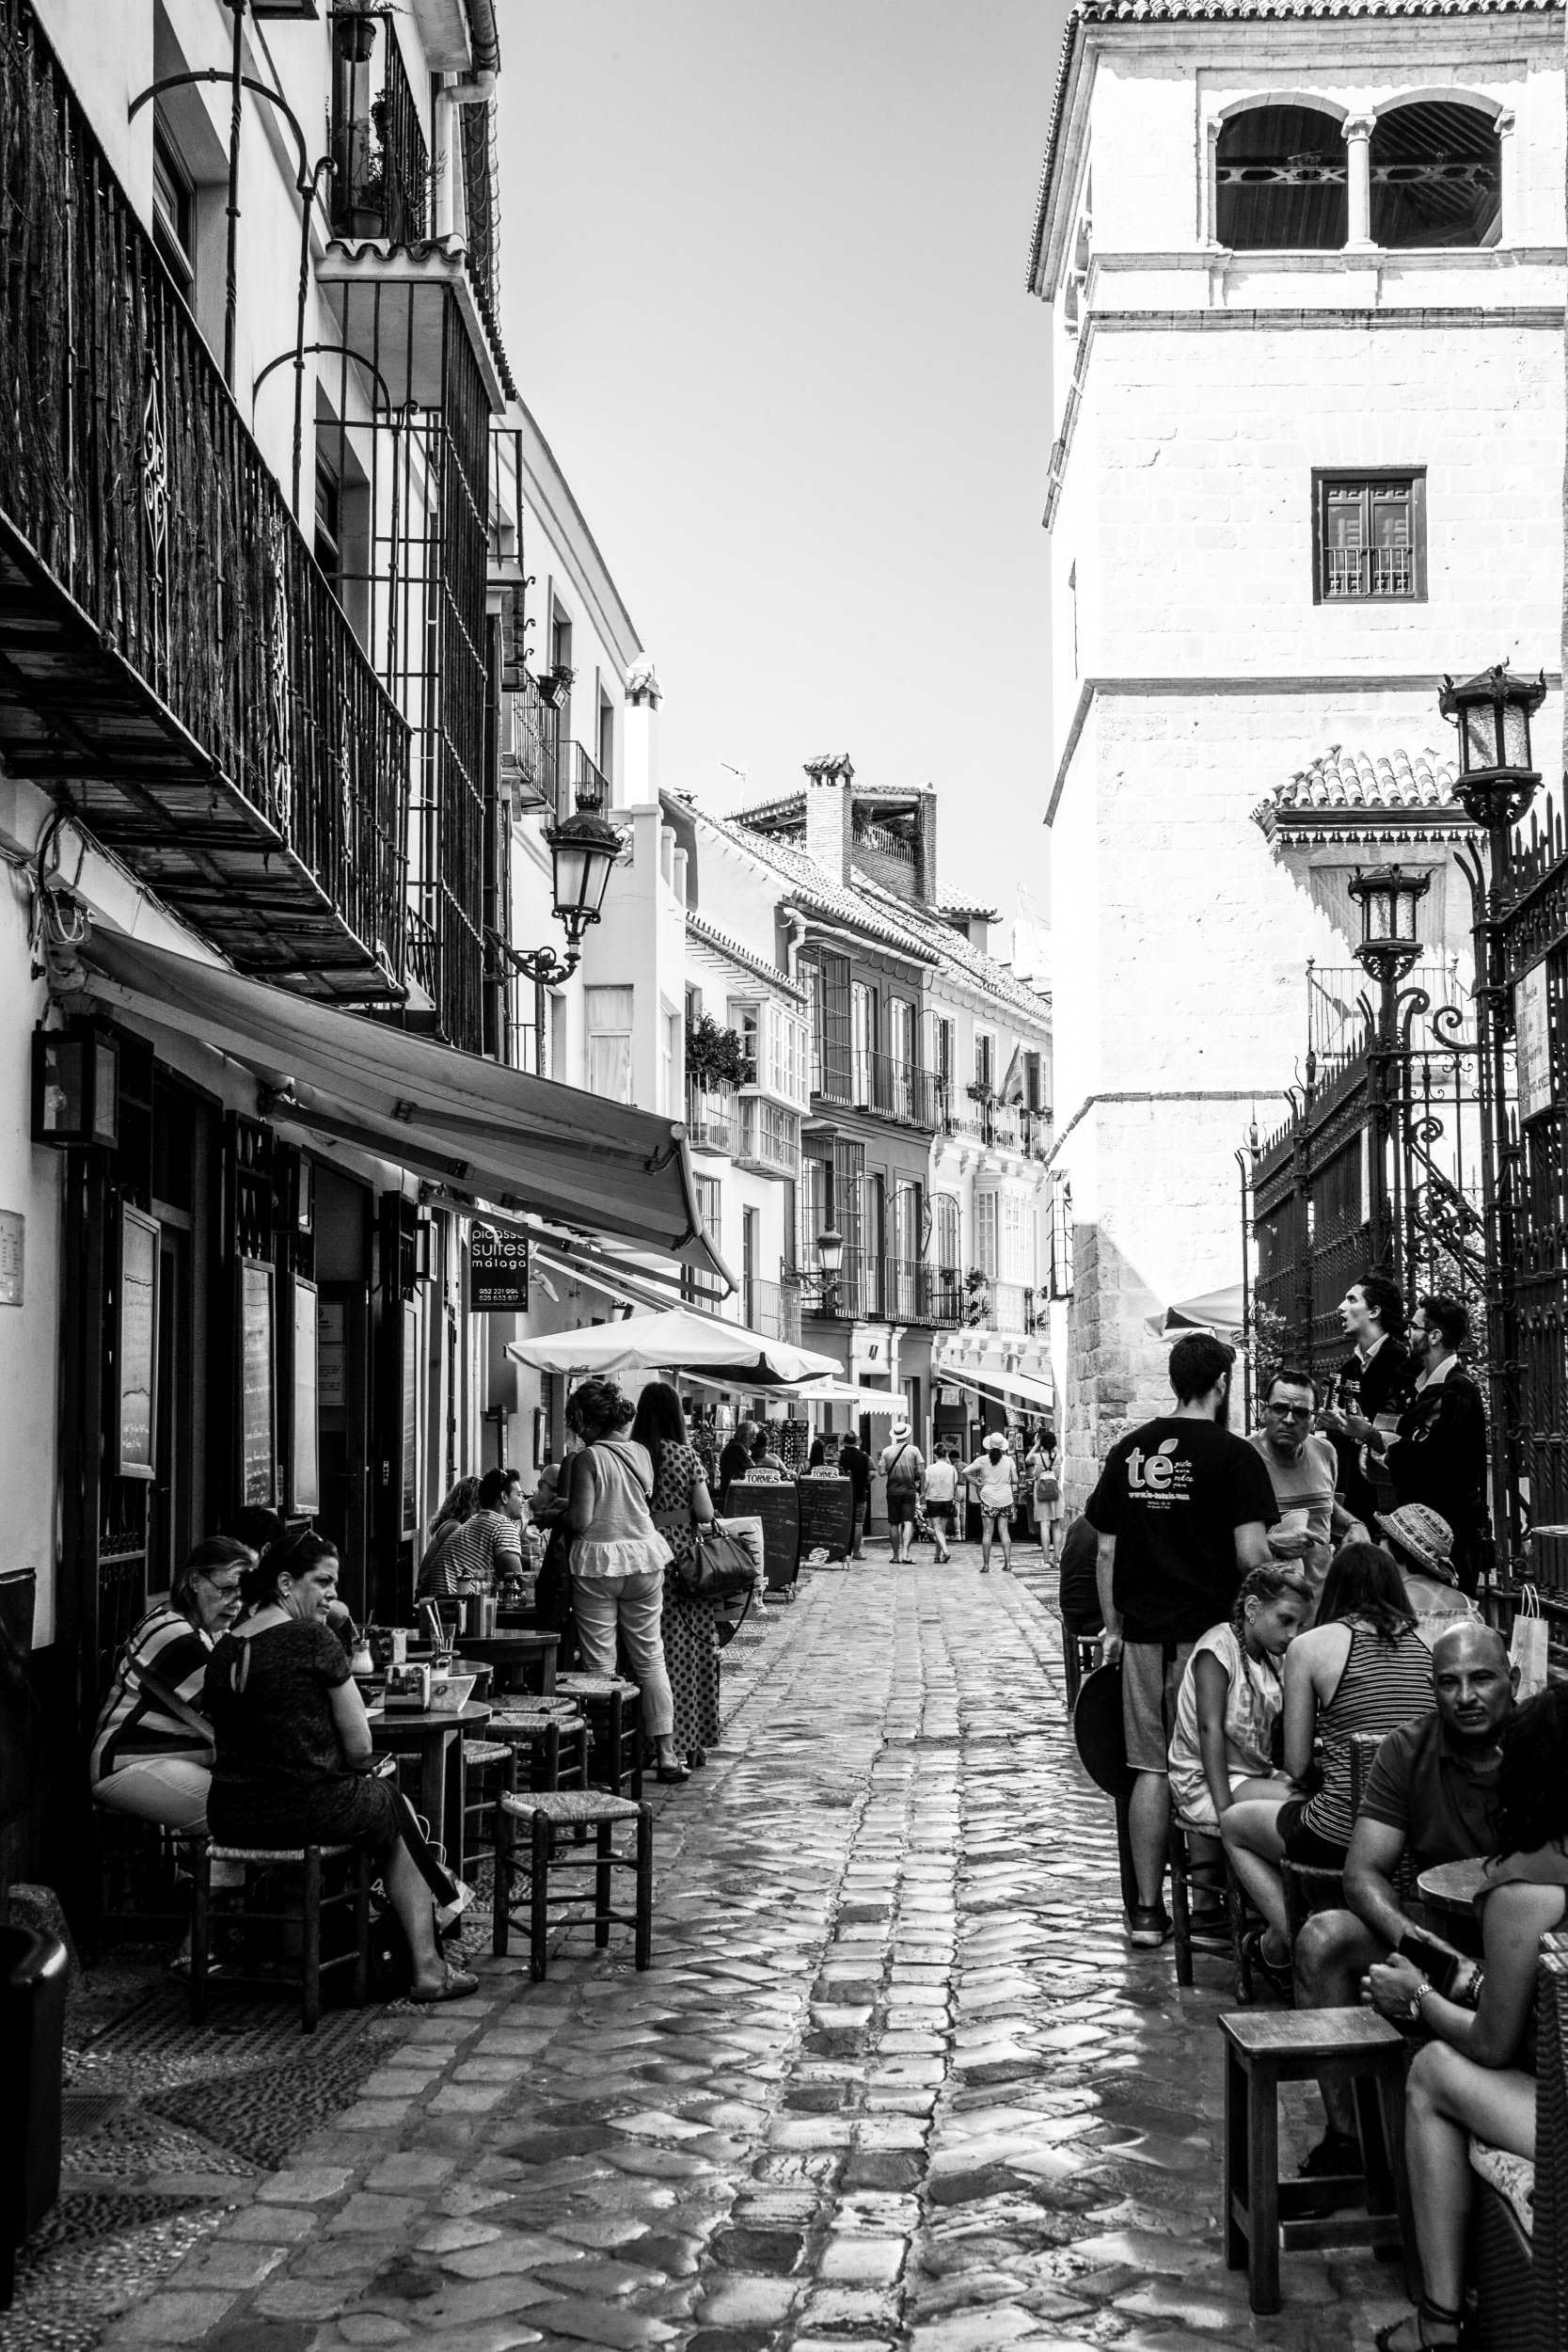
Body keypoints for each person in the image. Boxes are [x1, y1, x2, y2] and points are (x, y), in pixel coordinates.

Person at [1364, 1682, 1568, 2352]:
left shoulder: (1528, 1890)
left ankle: (1438, 2321)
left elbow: (1488, 2045)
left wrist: (1416, 2000)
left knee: (1430, 2072)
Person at [205, 1530, 476, 2003]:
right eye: (323, 1581)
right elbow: (359, 1747)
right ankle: (428, 1966)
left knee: (387, 1804)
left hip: (232, 1813)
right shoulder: (314, 1639)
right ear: (286, 1583)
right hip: (305, 1808)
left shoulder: (226, 1647)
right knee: (395, 1808)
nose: (332, 1593)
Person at [1289, 1619, 1516, 2177]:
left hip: (1527, 1936)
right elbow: (1362, 1872)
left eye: (1482, 1679)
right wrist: (1419, 1946)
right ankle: (1351, 2144)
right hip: (1439, 1929)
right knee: (1324, 1937)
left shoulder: (1542, 1746)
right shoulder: (1407, 1748)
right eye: (1448, 1682)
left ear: (1512, 1680)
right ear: (1431, 1687)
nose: (1465, 1697)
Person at [1087, 1330, 1276, 1947]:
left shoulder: (1128, 1452)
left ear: (1173, 1380)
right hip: (1211, 1644)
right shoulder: (1234, 1456)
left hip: (1145, 1636)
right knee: (1206, 1762)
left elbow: (1106, 1547)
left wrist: (1114, 1627)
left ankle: (1145, 1912)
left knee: (1149, 1768)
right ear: (1220, 1383)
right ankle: (1207, 1909)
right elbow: (1250, 1554)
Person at [1221, 1540, 1434, 1991]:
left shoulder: (1313, 1645)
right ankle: (1322, 1932)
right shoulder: (1426, 1644)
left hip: (1344, 1833)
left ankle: (1296, 1943)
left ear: (1334, 1587)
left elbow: (1297, 1763)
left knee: (1235, 1825)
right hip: (1414, 1832)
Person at [563, 1375, 688, 1784]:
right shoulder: (640, 1452)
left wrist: (555, 1514)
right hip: (644, 1558)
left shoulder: (588, 1459)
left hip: (600, 1563)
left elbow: (582, 1519)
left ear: (583, 1418)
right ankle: (667, 1754)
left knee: (601, 1664)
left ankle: (607, 1753)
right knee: (651, 1658)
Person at [91, 1536, 250, 1840]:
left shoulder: (207, 1631)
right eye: (227, 1589)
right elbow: (235, 1706)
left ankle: (218, 1884)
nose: (236, 1603)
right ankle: (218, 1888)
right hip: (126, 1764)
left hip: (167, 1758)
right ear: (194, 1581)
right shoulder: (173, 1634)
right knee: (238, 1812)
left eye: (243, 1594)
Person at [1355, 1295, 1490, 1597]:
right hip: (1422, 1525)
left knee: (1449, 1608)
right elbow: (1398, 1426)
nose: (1407, 1333)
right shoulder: (1425, 1385)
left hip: (1447, 1530)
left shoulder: (1456, 1390)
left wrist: (1373, 1437)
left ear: (1435, 1336)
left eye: (1414, 1326)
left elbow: (1424, 1458)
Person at [1167, 1564, 1312, 1834]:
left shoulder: (1275, 1660)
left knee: (1328, 1799)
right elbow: (1208, 1729)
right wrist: (1225, 1811)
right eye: (1285, 1620)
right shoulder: (1218, 1647)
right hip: (1207, 1784)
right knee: (1306, 1808)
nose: (1293, 1634)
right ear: (1252, 1608)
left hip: (1255, 1775)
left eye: (1300, 1625)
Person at [633, 1381, 721, 1772]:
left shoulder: (634, 1456)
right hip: (684, 1565)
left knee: (649, 1656)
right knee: (690, 1653)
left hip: (641, 1559)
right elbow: (704, 1514)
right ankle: (692, 1740)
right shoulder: (686, 1457)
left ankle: (648, 1743)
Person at [1249, 1365, 1353, 1602]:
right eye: (1279, 1409)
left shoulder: (1324, 1452)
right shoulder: (1242, 1457)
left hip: (1321, 1605)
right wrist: (1273, 1542)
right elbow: (1218, 1539)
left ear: (1315, 1419)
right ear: (1264, 1411)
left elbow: (1326, 1505)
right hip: (1268, 1604)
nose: (1288, 1419)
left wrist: (1353, 1524)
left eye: (1301, 1413)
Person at [1321, 1276, 1411, 1535]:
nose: (1340, 1307)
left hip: (1392, 1501)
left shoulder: (1403, 1365)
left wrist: (1365, 1430)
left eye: (1351, 1299)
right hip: (1353, 1500)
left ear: (1374, 1311)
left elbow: (1406, 1429)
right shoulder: (1347, 1370)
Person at [1375, 1502, 1481, 1650]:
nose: (1377, 1544)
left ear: (1394, 1545)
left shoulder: (1388, 1602)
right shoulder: (1469, 1606)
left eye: (1381, 1536)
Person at [420, 1466, 524, 1598]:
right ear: (504, 1496)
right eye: (519, 1495)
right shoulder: (503, 1526)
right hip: (451, 1608)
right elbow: (515, 1581)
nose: (523, 1500)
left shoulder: (474, 1521)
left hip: (433, 1605)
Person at [1057, 1513, 1103, 1713]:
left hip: (1070, 1614)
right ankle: (1103, 1687)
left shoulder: (1079, 1523)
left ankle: (1096, 1681)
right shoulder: (1110, 1526)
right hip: (1095, 1618)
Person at [417, 1475, 480, 1596]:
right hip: (432, 1597)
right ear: (474, 1503)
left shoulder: (450, 1524)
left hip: (428, 1593)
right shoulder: (455, 1527)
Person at [965, 1433, 1019, 1573]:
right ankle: (1008, 1563)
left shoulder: (982, 1460)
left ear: (989, 1446)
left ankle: (986, 1565)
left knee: (987, 1532)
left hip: (988, 1497)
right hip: (1005, 1498)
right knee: (1004, 1531)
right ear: (1003, 1447)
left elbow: (965, 1472)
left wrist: (976, 1483)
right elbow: (1016, 1480)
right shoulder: (1009, 1460)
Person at [879, 1417, 925, 1565]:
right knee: (908, 1522)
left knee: (894, 1523)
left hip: (892, 1490)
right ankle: (906, 1554)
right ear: (907, 1434)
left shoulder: (887, 1451)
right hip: (909, 1490)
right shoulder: (914, 1450)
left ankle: (895, 1555)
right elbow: (921, 1470)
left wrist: (892, 1469)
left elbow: (881, 1472)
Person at [1025, 1430, 1060, 1558]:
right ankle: (1057, 1558)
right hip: (1056, 1492)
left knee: (1044, 1525)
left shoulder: (1037, 1457)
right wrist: (1052, 1443)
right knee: (1056, 1526)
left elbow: (1027, 1459)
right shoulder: (1058, 1457)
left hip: (1041, 1491)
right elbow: (1060, 1453)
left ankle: (1046, 1560)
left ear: (1042, 1444)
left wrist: (1036, 1444)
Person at [839, 1430, 872, 1561]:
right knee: (858, 1524)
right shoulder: (865, 1456)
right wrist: (864, 1482)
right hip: (860, 1493)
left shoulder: (838, 1455)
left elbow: (834, 1469)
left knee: (842, 1523)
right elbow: (873, 1473)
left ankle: (841, 1553)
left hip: (843, 1494)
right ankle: (856, 1553)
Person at [923, 1445, 957, 1564]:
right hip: (947, 1499)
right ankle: (937, 1556)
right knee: (942, 1530)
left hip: (933, 1500)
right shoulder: (952, 1469)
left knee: (937, 1529)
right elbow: (955, 1486)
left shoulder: (930, 1469)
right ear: (946, 1455)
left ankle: (946, 1552)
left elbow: (925, 1487)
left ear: (934, 1455)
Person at [717, 1418, 754, 1506]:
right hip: (734, 1495)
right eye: (753, 1439)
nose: (753, 1442)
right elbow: (754, 1469)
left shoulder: (733, 1445)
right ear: (745, 1437)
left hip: (730, 1492)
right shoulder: (737, 1448)